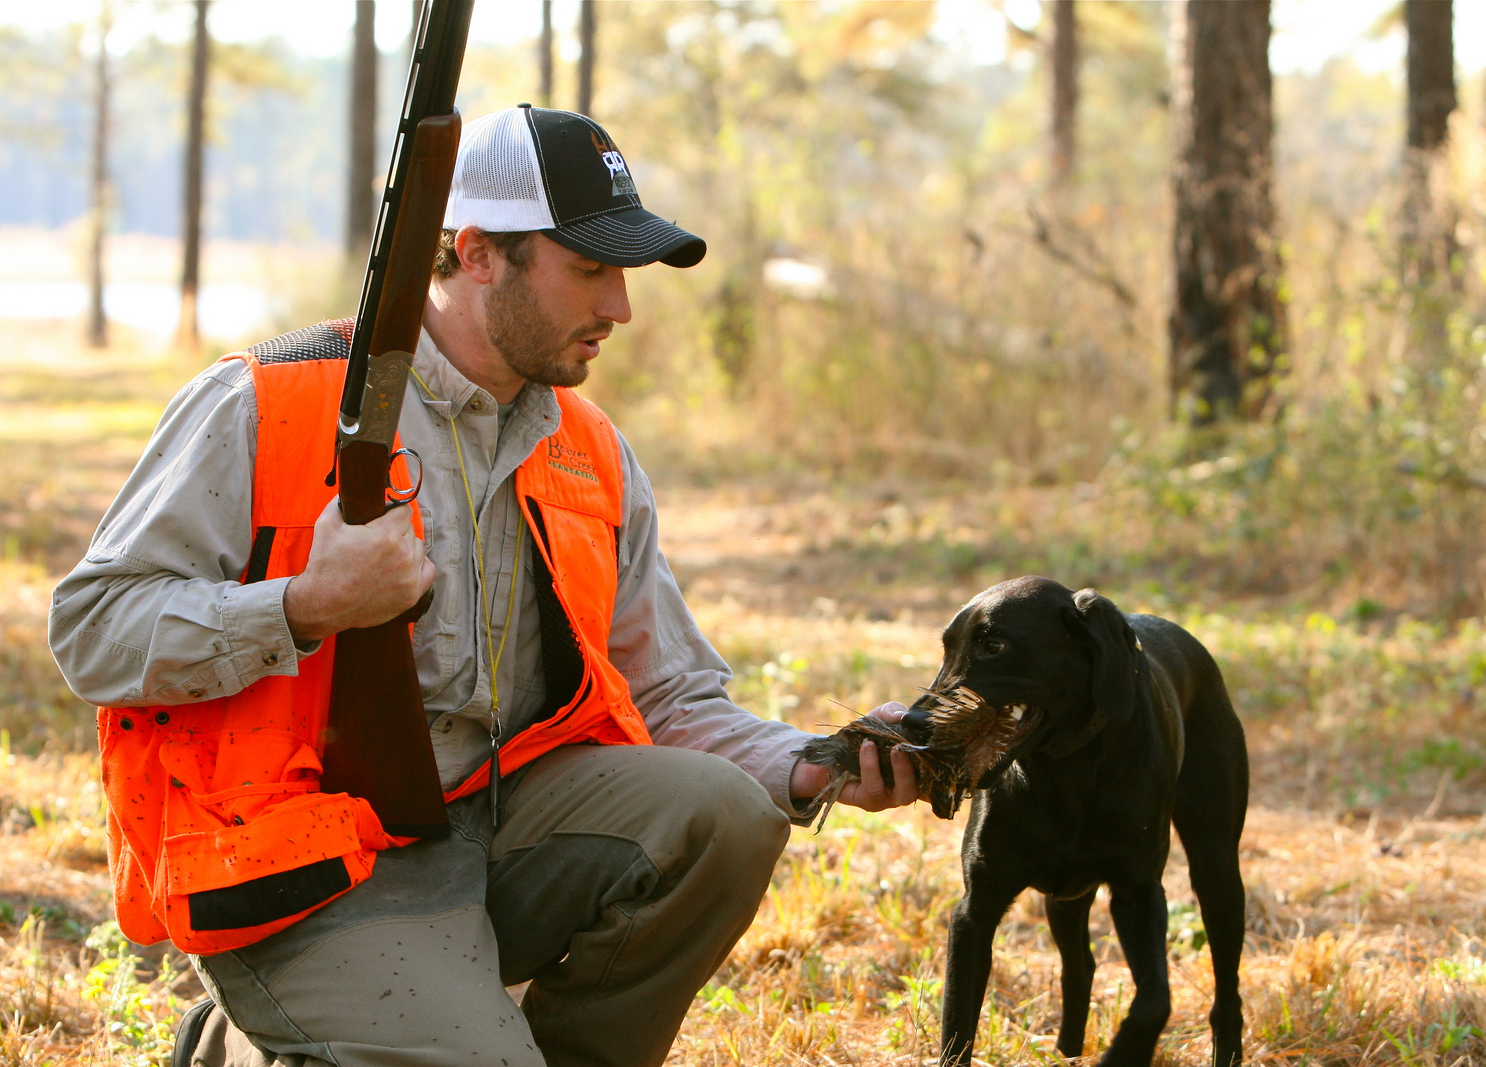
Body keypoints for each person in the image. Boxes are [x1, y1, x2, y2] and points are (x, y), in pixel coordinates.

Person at [50, 105, 916, 1067]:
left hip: (498, 822)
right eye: (589, 268)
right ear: (474, 253)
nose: (621, 307)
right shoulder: (270, 399)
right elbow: (92, 631)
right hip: (306, 855)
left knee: (726, 815)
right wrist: (302, 606)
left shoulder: (587, 448)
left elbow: (666, 691)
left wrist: (814, 760)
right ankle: (268, 1038)